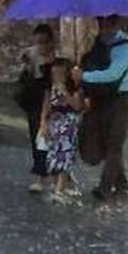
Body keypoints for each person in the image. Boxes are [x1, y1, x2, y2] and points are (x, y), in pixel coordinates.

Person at [77, 15, 128, 202]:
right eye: (100, 23)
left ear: (116, 23)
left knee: (114, 143)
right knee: (103, 144)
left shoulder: (125, 45)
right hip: (100, 99)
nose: (104, 27)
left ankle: (104, 188)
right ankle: (122, 184)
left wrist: (85, 76)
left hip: (121, 100)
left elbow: (114, 74)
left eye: (107, 24)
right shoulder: (99, 43)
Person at [16, 23, 57, 193]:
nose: (40, 46)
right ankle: (40, 174)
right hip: (34, 100)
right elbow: (25, 80)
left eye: (44, 42)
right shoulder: (30, 55)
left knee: (56, 139)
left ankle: (58, 175)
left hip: (54, 101)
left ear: (50, 42)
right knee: (37, 137)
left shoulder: (57, 57)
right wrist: (27, 66)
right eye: (37, 41)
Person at [40, 58, 86, 203]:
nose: (57, 78)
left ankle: (59, 190)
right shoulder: (50, 89)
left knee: (64, 156)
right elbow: (46, 107)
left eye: (60, 74)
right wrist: (43, 124)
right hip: (55, 124)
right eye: (54, 74)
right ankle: (64, 185)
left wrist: (65, 92)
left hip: (69, 125)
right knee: (53, 156)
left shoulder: (75, 89)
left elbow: (78, 107)